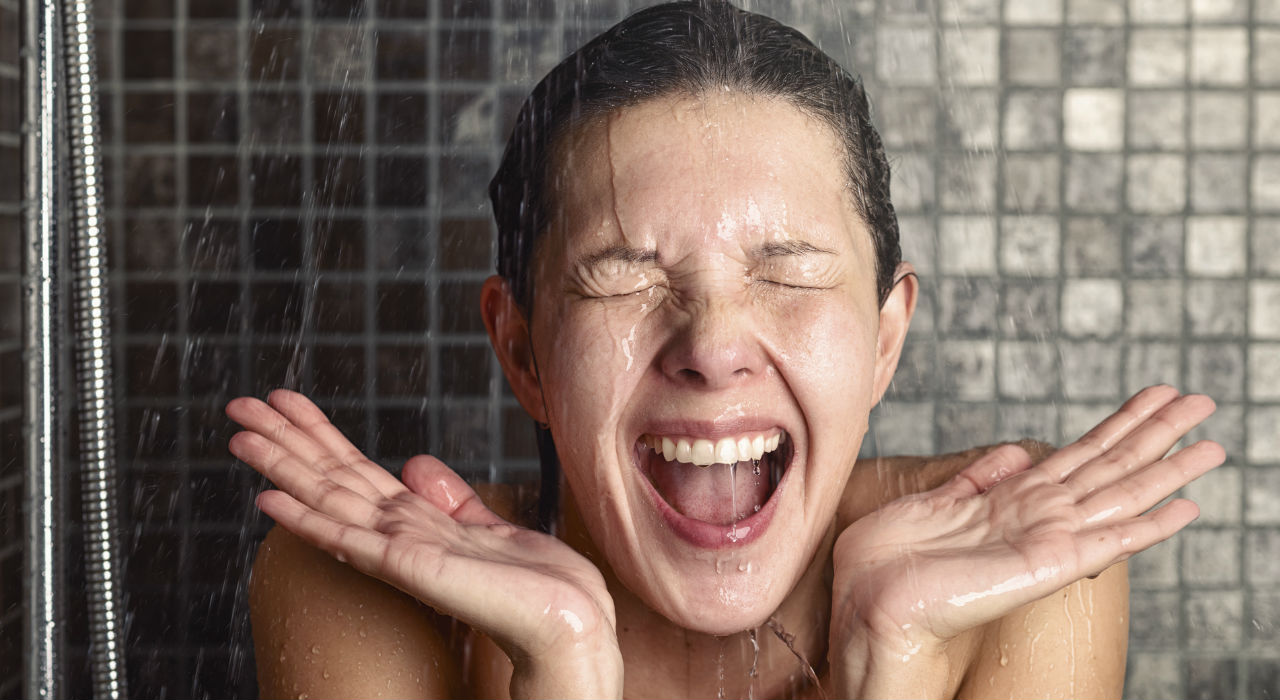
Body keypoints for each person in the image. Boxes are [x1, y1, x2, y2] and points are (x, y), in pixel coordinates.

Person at [226, 2, 1224, 697]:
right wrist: (561, 671)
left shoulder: (1025, 564)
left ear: (883, 339)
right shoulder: (369, 584)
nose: (710, 345)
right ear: (522, 351)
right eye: (621, 275)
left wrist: (898, 661)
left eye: (785, 273)